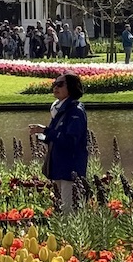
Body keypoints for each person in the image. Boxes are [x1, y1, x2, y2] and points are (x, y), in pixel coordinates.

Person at [29, 72, 88, 214]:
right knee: (60, 211)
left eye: (60, 84)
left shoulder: (75, 111)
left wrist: (46, 131)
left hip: (70, 170)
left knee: (68, 212)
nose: (56, 87)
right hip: (58, 168)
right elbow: (58, 137)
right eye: (54, 84)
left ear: (72, 87)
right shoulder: (60, 109)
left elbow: (70, 141)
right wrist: (44, 136)